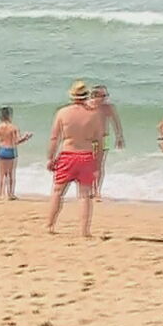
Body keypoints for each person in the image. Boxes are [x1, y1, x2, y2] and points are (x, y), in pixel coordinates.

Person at [46, 81, 103, 238]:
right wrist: (98, 163)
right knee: (85, 195)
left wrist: (50, 158)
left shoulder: (63, 113)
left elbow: (54, 138)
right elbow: (99, 141)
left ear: (72, 96)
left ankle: (50, 225)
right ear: (86, 96)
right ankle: (84, 231)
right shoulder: (94, 114)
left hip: (68, 155)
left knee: (57, 191)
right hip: (86, 156)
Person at [88, 85, 124, 201]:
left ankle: (97, 190)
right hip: (88, 139)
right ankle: (89, 189)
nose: (105, 98)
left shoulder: (109, 108)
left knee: (99, 165)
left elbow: (116, 123)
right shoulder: (87, 106)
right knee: (89, 165)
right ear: (94, 96)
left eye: (106, 95)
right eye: (103, 96)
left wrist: (119, 136)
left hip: (104, 138)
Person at [0, 106, 33, 200]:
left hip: (1, 150)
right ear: (9, 115)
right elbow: (17, 141)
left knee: (1, 174)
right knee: (11, 174)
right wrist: (26, 137)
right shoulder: (14, 128)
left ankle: (0, 194)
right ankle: (10, 194)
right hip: (11, 151)